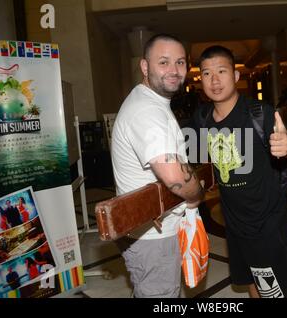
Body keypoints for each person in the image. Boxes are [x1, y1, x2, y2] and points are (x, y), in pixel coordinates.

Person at [189, 45, 287, 298]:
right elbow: (194, 162)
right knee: (252, 283)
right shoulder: (201, 119)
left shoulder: (259, 114)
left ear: (235, 76)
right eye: (207, 73)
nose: (214, 80)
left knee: (273, 293)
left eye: (221, 71)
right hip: (233, 224)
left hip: (266, 224)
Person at [111, 34, 204, 298]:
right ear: (144, 67)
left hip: (147, 229)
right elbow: (174, 177)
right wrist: (196, 195)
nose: (174, 70)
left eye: (180, 62)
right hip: (153, 236)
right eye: (163, 62)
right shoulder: (147, 111)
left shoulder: (150, 102)